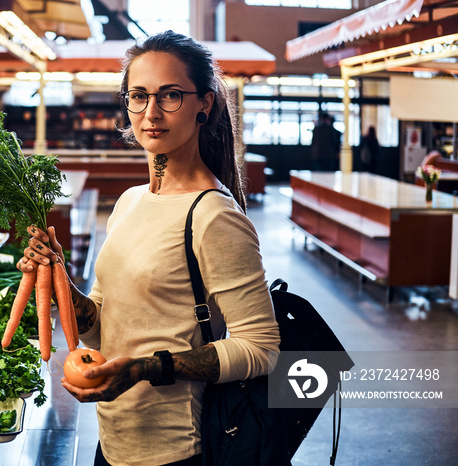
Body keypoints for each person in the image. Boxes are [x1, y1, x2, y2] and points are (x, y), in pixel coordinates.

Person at [18, 30, 280, 466]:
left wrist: (146, 368)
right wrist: (58, 277)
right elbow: (102, 327)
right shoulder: (129, 202)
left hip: (179, 452)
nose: (151, 112)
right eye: (138, 96)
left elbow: (261, 348)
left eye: (171, 95)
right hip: (113, 444)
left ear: (205, 104)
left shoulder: (214, 216)